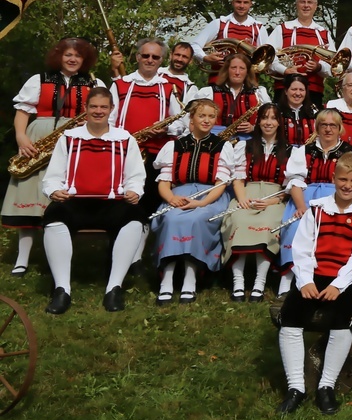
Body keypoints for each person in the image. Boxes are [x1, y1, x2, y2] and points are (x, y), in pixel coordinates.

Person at [275, 152, 352, 416]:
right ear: (333, 178)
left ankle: (326, 386)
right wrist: (305, 281)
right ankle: (296, 387)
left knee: (342, 319)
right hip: (315, 272)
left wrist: (338, 286)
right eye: (342, 179)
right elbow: (302, 248)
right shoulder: (317, 209)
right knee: (290, 316)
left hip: (347, 278)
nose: (347, 186)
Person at [40, 87, 145, 314]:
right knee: (54, 216)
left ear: (111, 109)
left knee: (135, 218)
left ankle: (114, 287)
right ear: (86, 108)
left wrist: (134, 191)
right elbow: (53, 176)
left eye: (103, 107)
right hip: (75, 202)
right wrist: (54, 191)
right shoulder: (69, 138)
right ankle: (62, 289)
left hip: (112, 203)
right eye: (94, 106)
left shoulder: (125, 139)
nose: (98, 111)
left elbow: (136, 176)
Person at [7, 37, 103, 275]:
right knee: (30, 195)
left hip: (77, 140)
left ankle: (61, 257)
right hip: (39, 139)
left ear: (85, 60)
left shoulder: (95, 83)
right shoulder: (38, 79)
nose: (72, 59)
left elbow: (105, 115)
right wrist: (21, 137)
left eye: (78, 55)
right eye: (68, 54)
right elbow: (22, 111)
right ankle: (22, 259)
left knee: (65, 197)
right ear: (58, 56)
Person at [151, 98, 241, 304]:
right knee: (172, 218)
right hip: (179, 194)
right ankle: (167, 279)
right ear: (192, 119)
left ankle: (190, 278)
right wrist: (172, 198)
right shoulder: (174, 146)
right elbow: (164, 183)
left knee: (197, 219)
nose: (207, 120)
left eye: (211, 116)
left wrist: (201, 203)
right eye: (202, 115)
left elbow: (220, 183)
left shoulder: (222, 146)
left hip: (210, 197)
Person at [277, 109, 352, 294]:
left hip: (338, 197)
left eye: (333, 125)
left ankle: (330, 275)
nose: (328, 129)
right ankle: (289, 277)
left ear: (340, 128)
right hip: (306, 197)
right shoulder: (304, 150)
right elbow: (295, 182)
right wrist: (301, 207)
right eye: (324, 125)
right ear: (317, 128)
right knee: (295, 227)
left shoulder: (351, 152)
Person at [222, 103, 291, 302]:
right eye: (264, 118)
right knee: (239, 220)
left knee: (268, 223)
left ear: (279, 123)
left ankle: (260, 282)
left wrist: (272, 201)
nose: (268, 122)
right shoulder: (244, 146)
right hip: (247, 193)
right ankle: (238, 281)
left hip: (275, 198)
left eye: (273, 118)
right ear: (258, 121)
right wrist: (242, 199)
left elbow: (289, 187)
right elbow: (238, 179)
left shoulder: (290, 151)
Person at [109, 38, 185, 214]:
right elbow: (109, 120)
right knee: (120, 200)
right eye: (145, 56)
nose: (150, 60)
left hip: (155, 155)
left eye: (155, 57)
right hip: (123, 152)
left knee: (149, 201)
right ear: (137, 57)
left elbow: (181, 123)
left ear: (161, 60)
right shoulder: (120, 84)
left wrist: (166, 129)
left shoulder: (168, 88)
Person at [268, 0, 334, 103]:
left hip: (314, 90)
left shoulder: (324, 33)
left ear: (316, 6)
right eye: (302, 2)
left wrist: (318, 67)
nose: (306, 5)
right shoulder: (282, 29)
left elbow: (332, 65)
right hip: (285, 88)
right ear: (296, 5)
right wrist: (286, 70)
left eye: (310, 2)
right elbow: (269, 57)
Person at [190, 0, 267, 75]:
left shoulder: (259, 28)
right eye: (238, 2)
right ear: (232, 3)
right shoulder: (219, 23)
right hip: (219, 78)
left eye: (245, 2)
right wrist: (205, 58)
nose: (242, 6)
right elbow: (194, 45)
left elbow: (265, 57)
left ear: (250, 4)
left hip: (248, 79)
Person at [200, 52, 270, 135]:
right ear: (227, 70)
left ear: (247, 72)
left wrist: (254, 128)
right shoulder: (209, 92)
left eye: (242, 68)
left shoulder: (258, 93)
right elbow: (194, 119)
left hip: (249, 140)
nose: (237, 72)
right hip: (216, 139)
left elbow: (270, 121)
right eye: (233, 68)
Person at [278, 74, 319, 146]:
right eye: (294, 89)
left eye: (301, 90)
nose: (297, 93)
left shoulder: (314, 112)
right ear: (286, 91)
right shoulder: (276, 112)